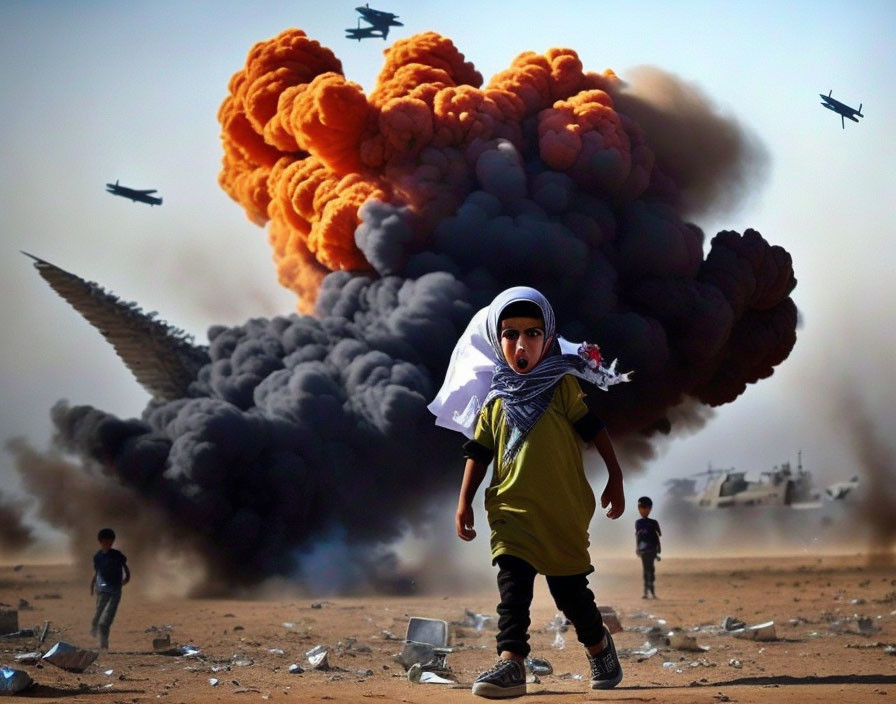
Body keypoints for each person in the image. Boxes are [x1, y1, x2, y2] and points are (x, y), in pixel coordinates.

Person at [443, 286, 629, 699]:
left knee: (571, 595)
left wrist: (614, 476)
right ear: (496, 339)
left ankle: (599, 647)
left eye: (532, 333)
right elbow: (479, 452)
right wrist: (464, 501)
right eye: (510, 334)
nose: (521, 344)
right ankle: (512, 664)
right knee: (513, 591)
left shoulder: (561, 387)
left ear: (547, 339)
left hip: (561, 513)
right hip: (511, 512)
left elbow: (593, 429)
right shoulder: (494, 401)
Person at [90, 528, 130, 650]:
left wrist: (127, 578)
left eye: (110, 541)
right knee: (97, 614)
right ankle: (94, 627)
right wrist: (92, 585)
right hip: (102, 590)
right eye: (105, 541)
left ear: (112, 541)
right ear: (100, 541)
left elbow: (125, 567)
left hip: (115, 590)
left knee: (105, 620)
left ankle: (104, 645)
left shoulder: (117, 555)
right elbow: (97, 572)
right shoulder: (97, 557)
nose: (108, 543)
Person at [635, 496, 661, 599]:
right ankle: (647, 591)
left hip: (652, 549)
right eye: (640, 507)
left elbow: (657, 536)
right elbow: (638, 537)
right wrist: (637, 548)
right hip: (644, 550)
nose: (642, 510)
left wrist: (658, 550)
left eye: (644, 507)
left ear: (650, 508)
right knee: (646, 569)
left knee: (651, 569)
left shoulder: (653, 523)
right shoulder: (639, 523)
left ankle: (651, 591)